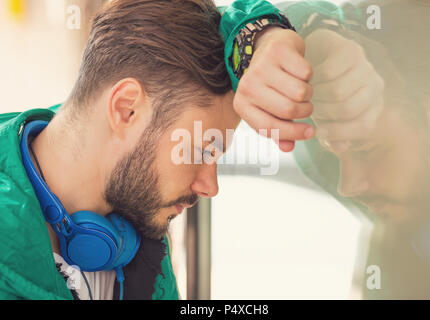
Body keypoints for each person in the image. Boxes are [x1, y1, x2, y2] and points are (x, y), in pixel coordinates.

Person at [0, 0, 314, 300]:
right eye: (202, 152)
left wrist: (261, 35)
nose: (210, 187)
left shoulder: (134, 207)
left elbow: (182, 25)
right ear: (127, 109)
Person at [268, 0, 430, 299]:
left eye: (367, 151)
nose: (346, 186)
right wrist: (314, 34)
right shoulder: (329, 158)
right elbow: (223, 27)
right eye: (336, 153)